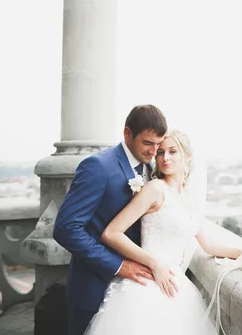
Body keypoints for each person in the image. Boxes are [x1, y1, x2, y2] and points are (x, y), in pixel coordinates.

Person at [84, 129, 242, 335]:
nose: (165, 157)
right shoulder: (155, 189)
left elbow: (209, 245)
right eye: (160, 152)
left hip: (177, 289)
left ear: (187, 156)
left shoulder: (189, 200)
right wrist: (155, 263)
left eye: (172, 151)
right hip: (147, 285)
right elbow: (111, 233)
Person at [53, 105, 168, 335]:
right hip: (94, 287)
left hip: (135, 295)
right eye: (147, 143)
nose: (154, 151)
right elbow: (66, 229)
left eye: (159, 144)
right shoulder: (98, 167)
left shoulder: (151, 167)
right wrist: (118, 265)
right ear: (127, 134)